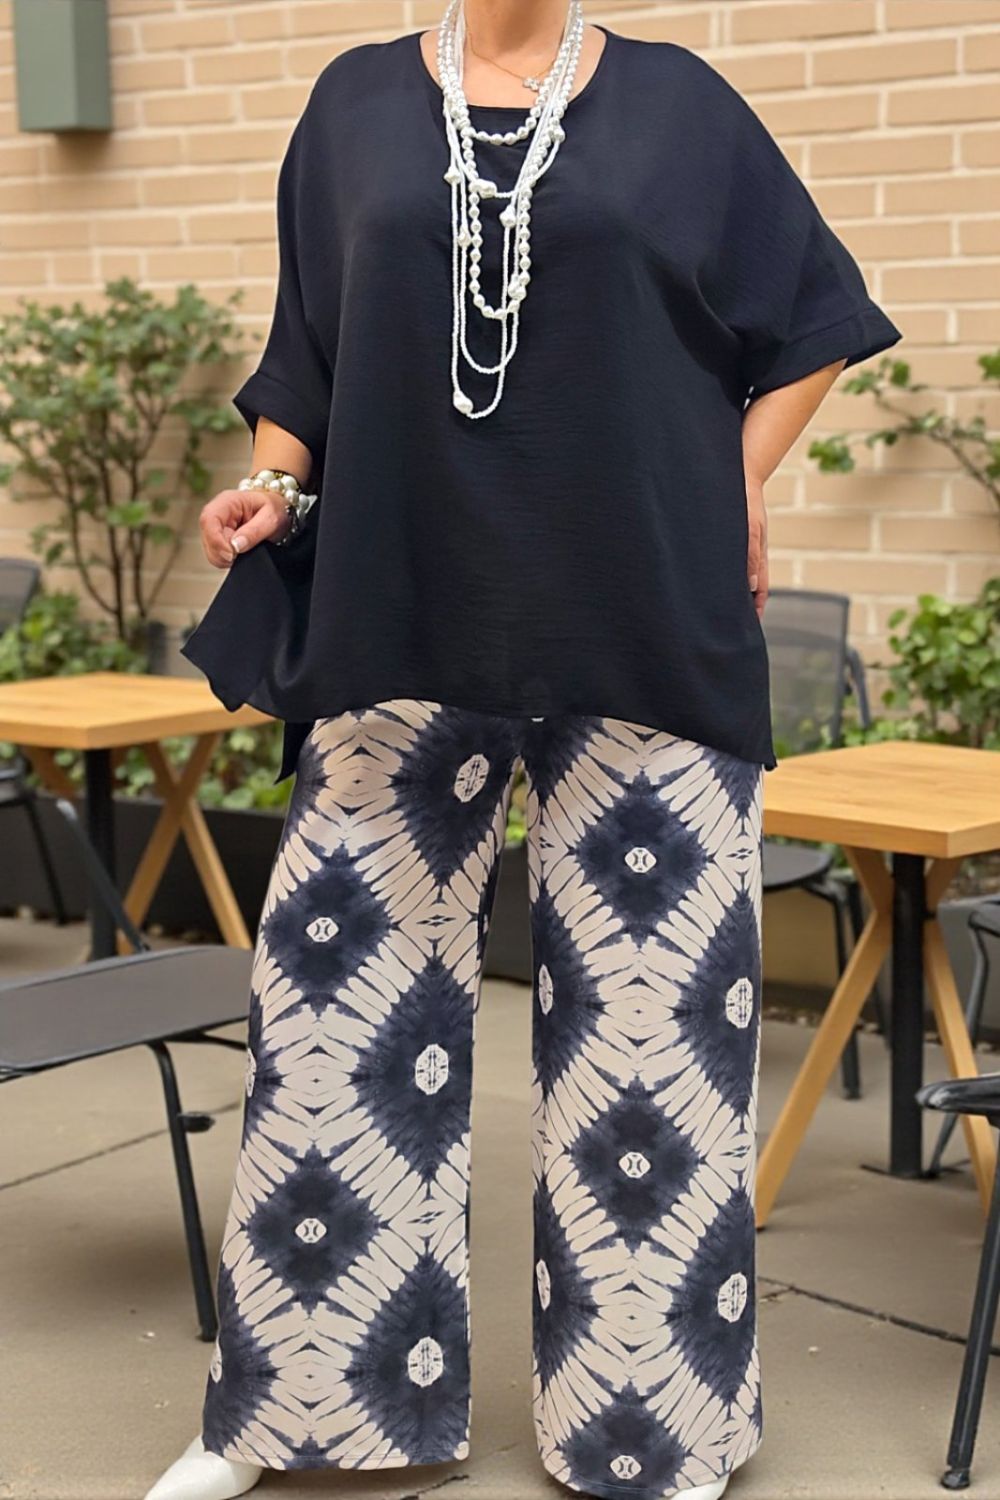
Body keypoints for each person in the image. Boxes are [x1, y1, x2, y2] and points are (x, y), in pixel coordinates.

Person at [146, 3, 902, 1498]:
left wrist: (733, 482)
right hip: (396, 607)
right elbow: (306, 357)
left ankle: (647, 1429)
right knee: (331, 1025)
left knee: (652, 1051)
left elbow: (815, 319)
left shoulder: (684, 106)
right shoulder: (354, 102)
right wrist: (273, 488)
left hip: (645, 616)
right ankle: (299, 1409)